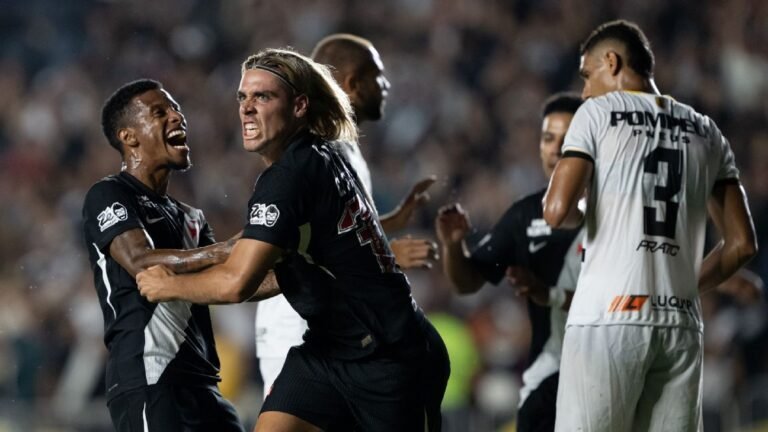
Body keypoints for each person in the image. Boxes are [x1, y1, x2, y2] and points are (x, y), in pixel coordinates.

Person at [137, 48, 449, 432]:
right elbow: (274, 273)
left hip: (392, 358)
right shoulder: (322, 155)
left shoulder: (289, 179)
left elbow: (237, 283)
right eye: (243, 97)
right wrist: (192, 271)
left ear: (299, 106)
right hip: (328, 351)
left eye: (263, 96)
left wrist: (170, 287)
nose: (247, 108)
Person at [542, 20, 758, 431]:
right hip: (681, 324)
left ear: (612, 62)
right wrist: (682, 287)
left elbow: (556, 211)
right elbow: (742, 245)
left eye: (587, 76)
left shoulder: (597, 113)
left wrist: (582, 207)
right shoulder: (707, 131)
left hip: (608, 318)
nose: (584, 91)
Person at [253, 33, 439, 397]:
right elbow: (285, 238)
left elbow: (328, 229)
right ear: (352, 83)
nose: (386, 85)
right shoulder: (316, 149)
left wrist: (391, 222)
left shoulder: (342, 146)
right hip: (296, 324)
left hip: (325, 325)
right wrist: (385, 257)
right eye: (377, 76)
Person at [81, 79, 244, 431]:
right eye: (159, 112)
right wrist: (226, 249)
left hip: (204, 384)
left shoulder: (192, 217)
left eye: (176, 109)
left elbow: (236, 278)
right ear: (129, 137)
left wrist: (291, 269)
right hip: (149, 378)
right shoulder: (108, 194)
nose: (176, 117)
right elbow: (140, 261)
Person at [436, 92, 584, 432]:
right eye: (548, 138)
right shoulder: (523, 216)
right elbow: (468, 281)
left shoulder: (618, 212)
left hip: (608, 365)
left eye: (566, 139)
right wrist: (454, 247)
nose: (555, 149)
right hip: (548, 376)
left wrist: (549, 294)